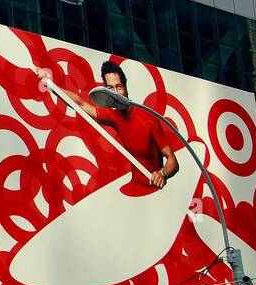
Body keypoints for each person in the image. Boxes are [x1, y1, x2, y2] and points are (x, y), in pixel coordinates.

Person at [56, 60, 180, 189]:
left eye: (118, 87)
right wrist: (51, 85)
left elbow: (173, 162)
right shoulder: (113, 115)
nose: (115, 93)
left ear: (126, 87)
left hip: (155, 190)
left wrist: (162, 173)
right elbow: (80, 103)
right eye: (110, 88)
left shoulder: (147, 118)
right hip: (135, 186)